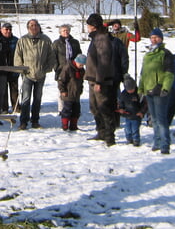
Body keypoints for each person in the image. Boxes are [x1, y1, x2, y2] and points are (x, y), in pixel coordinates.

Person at [138, 28, 175, 154]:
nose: (154, 39)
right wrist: (141, 88)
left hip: (160, 91)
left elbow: (169, 73)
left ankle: (165, 144)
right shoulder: (148, 55)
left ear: (161, 38)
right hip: (149, 90)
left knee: (161, 119)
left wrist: (165, 87)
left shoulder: (165, 53)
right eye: (152, 37)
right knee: (153, 119)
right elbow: (144, 73)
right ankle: (157, 141)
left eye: (156, 37)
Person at [14, 19, 55, 130]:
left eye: (36, 25)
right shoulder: (23, 40)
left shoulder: (46, 40)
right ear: (28, 27)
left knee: (37, 99)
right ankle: (23, 122)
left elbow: (51, 56)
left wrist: (47, 68)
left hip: (40, 74)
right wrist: (21, 69)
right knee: (25, 99)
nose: (34, 27)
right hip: (27, 74)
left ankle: (35, 121)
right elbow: (17, 57)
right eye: (31, 25)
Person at [84, 13, 116, 146]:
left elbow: (103, 62)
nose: (87, 27)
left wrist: (99, 81)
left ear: (93, 26)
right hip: (92, 79)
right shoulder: (95, 38)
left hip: (100, 80)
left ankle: (109, 136)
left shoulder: (102, 39)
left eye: (89, 25)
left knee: (103, 107)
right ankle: (101, 131)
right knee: (94, 107)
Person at [57, 53, 86, 131]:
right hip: (68, 94)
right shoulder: (68, 68)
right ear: (76, 61)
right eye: (80, 64)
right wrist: (63, 90)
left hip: (76, 94)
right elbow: (61, 81)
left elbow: (81, 82)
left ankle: (73, 125)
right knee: (67, 110)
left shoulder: (81, 70)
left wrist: (81, 90)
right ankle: (65, 125)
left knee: (76, 111)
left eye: (83, 65)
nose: (81, 66)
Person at [117, 75, 147, 146]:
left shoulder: (138, 93)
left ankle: (136, 140)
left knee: (135, 129)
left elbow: (144, 103)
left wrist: (141, 112)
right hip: (128, 115)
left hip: (136, 115)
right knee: (127, 129)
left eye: (132, 89)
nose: (130, 91)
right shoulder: (123, 94)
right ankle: (129, 139)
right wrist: (121, 109)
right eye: (128, 89)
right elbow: (121, 103)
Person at [1, 22, 20, 113]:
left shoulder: (16, 40)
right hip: (2, 69)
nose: (8, 31)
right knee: (3, 90)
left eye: (10, 29)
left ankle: (16, 106)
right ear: (2, 30)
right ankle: (4, 108)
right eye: (6, 29)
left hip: (13, 68)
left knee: (14, 89)